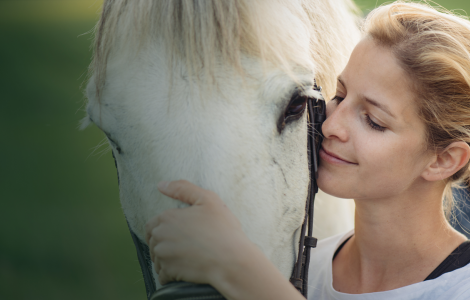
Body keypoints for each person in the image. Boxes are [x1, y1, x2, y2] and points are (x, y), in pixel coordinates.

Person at [145, 1, 470, 299]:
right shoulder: (296, 268)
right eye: (339, 96)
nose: (330, 126)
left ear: (443, 160)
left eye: (373, 120)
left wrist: (235, 267)